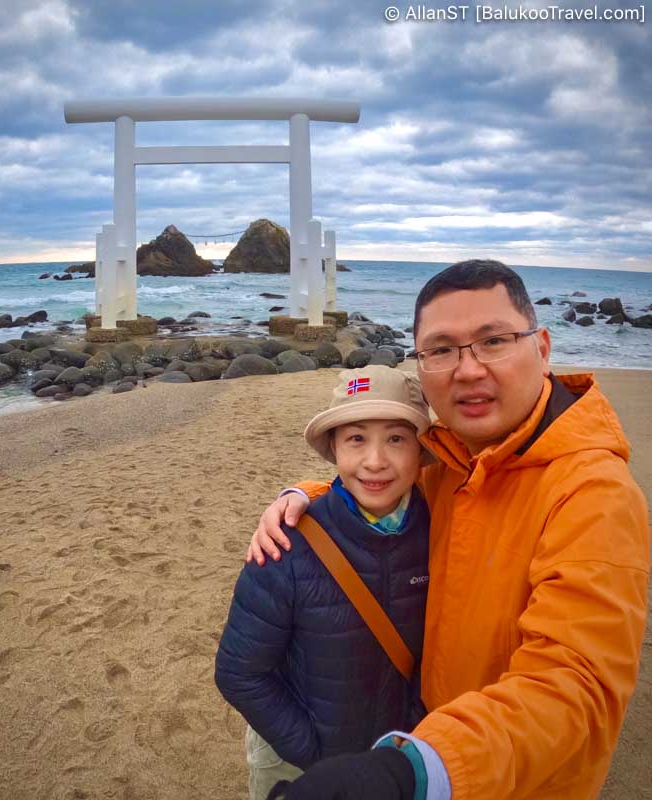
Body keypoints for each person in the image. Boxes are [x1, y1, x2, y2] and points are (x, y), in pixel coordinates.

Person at [248, 260, 650, 800]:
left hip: (505, 779)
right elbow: (380, 480)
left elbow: (574, 683)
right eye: (441, 350)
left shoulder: (593, 494)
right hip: (424, 734)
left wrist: (418, 767)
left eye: (494, 340)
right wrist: (305, 495)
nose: (468, 370)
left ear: (544, 346)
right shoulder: (450, 461)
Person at [215, 367, 433, 800]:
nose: (375, 461)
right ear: (333, 447)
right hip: (297, 758)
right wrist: (314, 750)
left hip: (393, 758)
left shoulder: (441, 531)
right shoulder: (285, 544)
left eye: (395, 438)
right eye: (356, 439)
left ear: (421, 449)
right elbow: (239, 672)